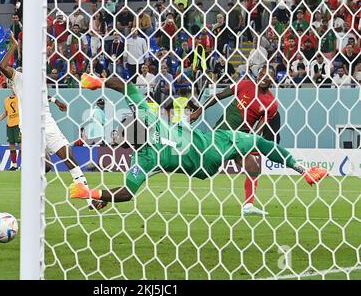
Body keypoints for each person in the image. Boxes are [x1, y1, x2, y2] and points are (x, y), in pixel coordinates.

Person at [71, 74, 327, 210]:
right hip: (210, 145)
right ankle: (304, 171)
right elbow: (126, 87)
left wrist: (91, 193)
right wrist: (99, 82)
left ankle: (274, 187)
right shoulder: (148, 118)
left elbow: (127, 193)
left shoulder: (143, 160)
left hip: (202, 164)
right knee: (258, 142)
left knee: (254, 150)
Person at [0, 33, 100, 209]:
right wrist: (14, 46)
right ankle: (31, 201)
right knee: (45, 166)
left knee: (70, 158)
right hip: (30, 128)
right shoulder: (19, 79)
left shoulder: (39, 80)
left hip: (48, 124)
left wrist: (57, 102)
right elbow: (2, 66)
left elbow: (43, 96)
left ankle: (90, 199)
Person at [189, 66, 280, 215]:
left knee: (253, 167)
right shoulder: (245, 84)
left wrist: (250, 141)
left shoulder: (271, 103)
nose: (262, 77)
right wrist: (199, 111)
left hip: (240, 139)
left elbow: (260, 127)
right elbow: (218, 95)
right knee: (203, 167)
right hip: (221, 134)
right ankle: (165, 161)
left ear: (273, 80)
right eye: (261, 74)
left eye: (267, 76)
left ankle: (248, 205)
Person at [0, 92, 21, 170]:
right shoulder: (6, 100)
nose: (13, 88)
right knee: (11, 145)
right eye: (11, 86)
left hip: (18, 124)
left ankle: (24, 165)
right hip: (9, 125)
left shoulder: (21, 98)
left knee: (21, 145)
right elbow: (6, 112)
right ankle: (14, 165)